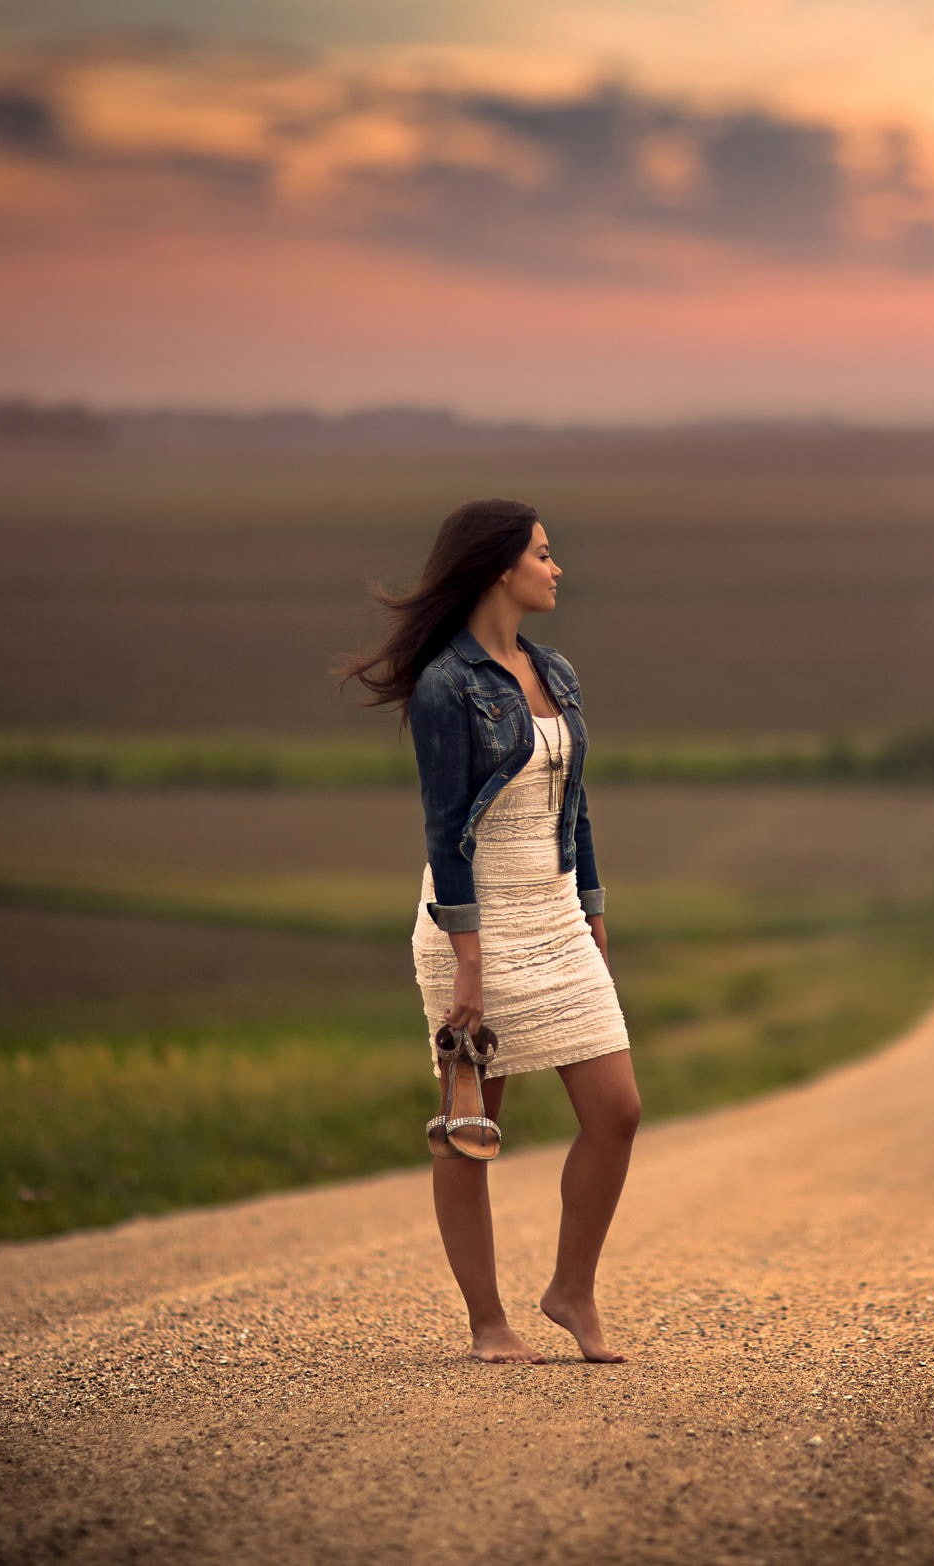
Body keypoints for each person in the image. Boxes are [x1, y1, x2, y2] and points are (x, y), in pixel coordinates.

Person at [338, 498, 640, 1364]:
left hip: (555, 914)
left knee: (617, 1111)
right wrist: (468, 963)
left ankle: (571, 1290)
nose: (556, 568)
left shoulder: (556, 670)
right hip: (472, 923)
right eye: (543, 554)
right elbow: (446, 833)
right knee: (470, 1128)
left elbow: (575, 803)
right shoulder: (448, 685)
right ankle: (487, 1324)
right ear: (500, 567)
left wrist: (593, 908)